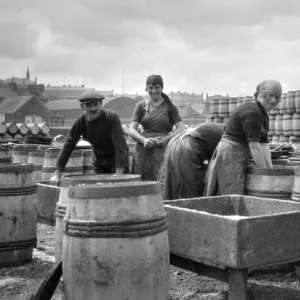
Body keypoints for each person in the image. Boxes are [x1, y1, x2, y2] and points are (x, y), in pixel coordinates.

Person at [206, 79, 282, 196]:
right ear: (261, 93)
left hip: (240, 153)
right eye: (270, 95)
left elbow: (264, 145)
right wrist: (264, 174)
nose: (273, 100)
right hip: (230, 153)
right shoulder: (253, 111)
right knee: (231, 193)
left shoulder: (263, 114)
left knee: (237, 190)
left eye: (277, 97)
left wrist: (270, 170)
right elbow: (255, 147)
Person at [49, 90, 129, 184]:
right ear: (82, 106)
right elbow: (67, 146)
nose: (93, 109)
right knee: (100, 192)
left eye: (96, 104)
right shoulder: (80, 122)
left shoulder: (111, 118)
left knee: (118, 192)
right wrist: (57, 174)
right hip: (99, 163)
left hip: (118, 162)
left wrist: (118, 175)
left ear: (101, 104)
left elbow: (120, 146)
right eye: (89, 105)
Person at [129, 75, 185, 180]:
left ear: (162, 88)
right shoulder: (141, 106)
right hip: (143, 150)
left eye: (157, 87)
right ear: (146, 88)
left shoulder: (170, 107)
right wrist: (143, 140)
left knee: (162, 182)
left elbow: (181, 128)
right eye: (150, 88)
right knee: (141, 184)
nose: (153, 91)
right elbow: (132, 130)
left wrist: (166, 139)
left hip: (162, 150)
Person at [158, 123, 224, 200]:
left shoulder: (229, 131)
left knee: (177, 187)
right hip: (187, 146)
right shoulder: (233, 140)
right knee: (190, 194)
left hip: (181, 142)